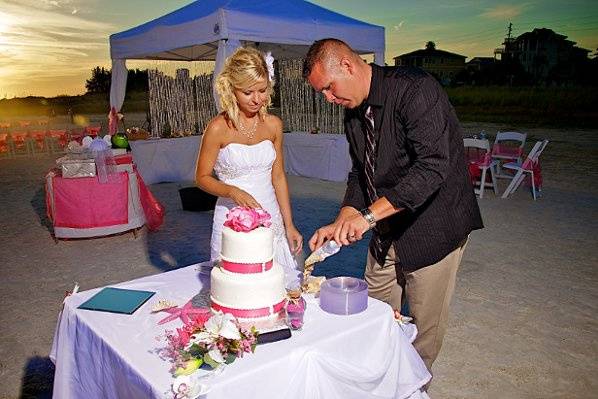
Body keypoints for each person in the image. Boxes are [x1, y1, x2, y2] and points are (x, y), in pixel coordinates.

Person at [303, 38, 483, 374]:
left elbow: (432, 167)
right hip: (386, 230)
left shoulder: (416, 90)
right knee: (373, 318)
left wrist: (368, 216)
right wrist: (346, 213)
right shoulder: (353, 113)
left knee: (422, 336)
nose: (328, 99)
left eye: (328, 88)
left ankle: (413, 388)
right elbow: (361, 170)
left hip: (433, 231)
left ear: (346, 65)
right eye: (322, 93)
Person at [196, 46, 303, 287]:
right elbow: (201, 177)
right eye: (248, 92)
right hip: (231, 218)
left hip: (270, 215)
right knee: (236, 289)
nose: (257, 99)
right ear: (231, 89)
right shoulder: (217, 128)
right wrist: (232, 191)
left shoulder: (274, 125)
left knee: (274, 286)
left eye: (262, 90)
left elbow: (278, 177)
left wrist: (289, 225)